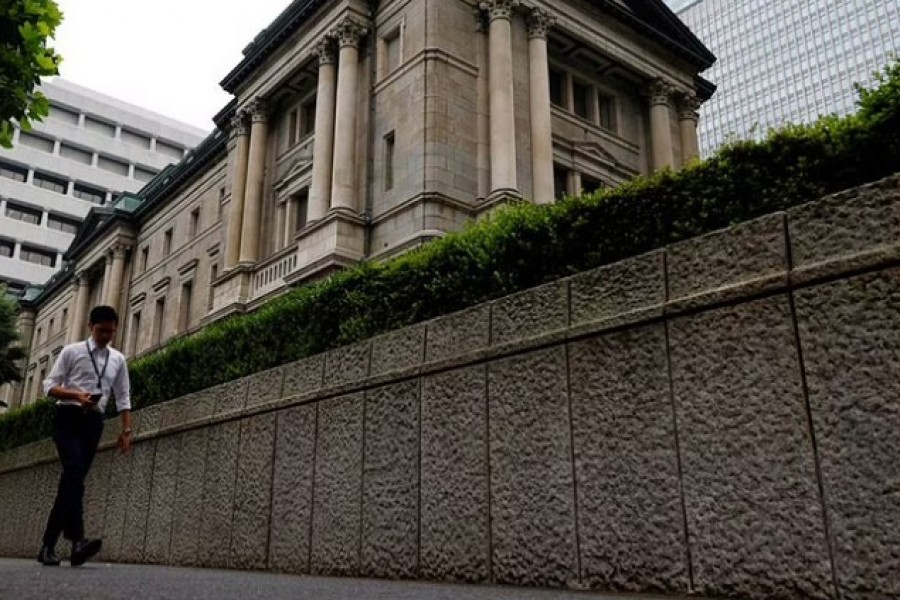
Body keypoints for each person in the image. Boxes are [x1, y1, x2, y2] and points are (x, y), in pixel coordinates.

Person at [37, 305, 133, 567]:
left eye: (111, 332)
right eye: (102, 331)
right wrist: (76, 395)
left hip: (93, 422)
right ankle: (77, 540)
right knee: (75, 473)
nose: (106, 336)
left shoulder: (118, 359)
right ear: (91, 327)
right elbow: (49, 386)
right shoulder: (72, 352)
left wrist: (126, 430)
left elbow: (123, 397)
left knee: (71, 482)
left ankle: (47, 546)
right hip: (67, 418)